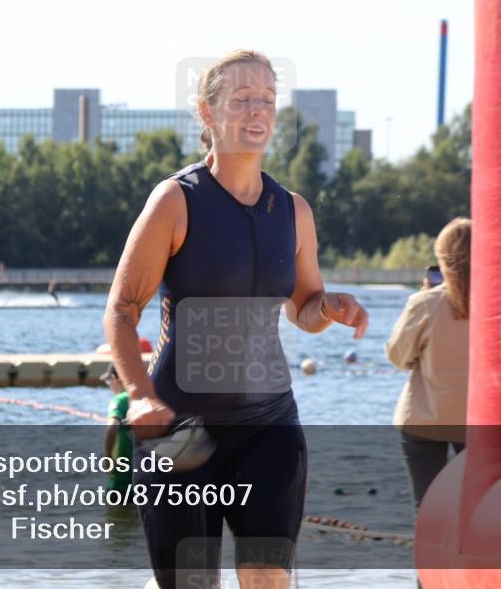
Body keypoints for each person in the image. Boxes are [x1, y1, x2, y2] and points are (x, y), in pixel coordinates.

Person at [103, 49, 369, 589]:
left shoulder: (293, 211)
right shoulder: (176, 201)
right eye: (243, 99)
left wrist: (330, 307)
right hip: (181, 433)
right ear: (208, 112)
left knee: (269, 579)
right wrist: (137, 393)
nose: (258, 111)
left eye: (268, 100)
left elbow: (303, 309)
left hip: (269, 427)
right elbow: (122, 312)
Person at [386, 218, 471, 512]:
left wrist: (424, 296)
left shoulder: (425, 303)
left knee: (428, 508)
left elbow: (398, 357)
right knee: (474, 505)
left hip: (424, 419)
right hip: (478, 421)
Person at [102, 364, 133, 493]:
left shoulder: (120, 399)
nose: (109, 386)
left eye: (109, 381)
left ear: (116, 378)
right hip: (143, 479)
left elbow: (112, 427)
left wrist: (108, 458)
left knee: (115, 512)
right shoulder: (144, 397)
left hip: (120, 481)